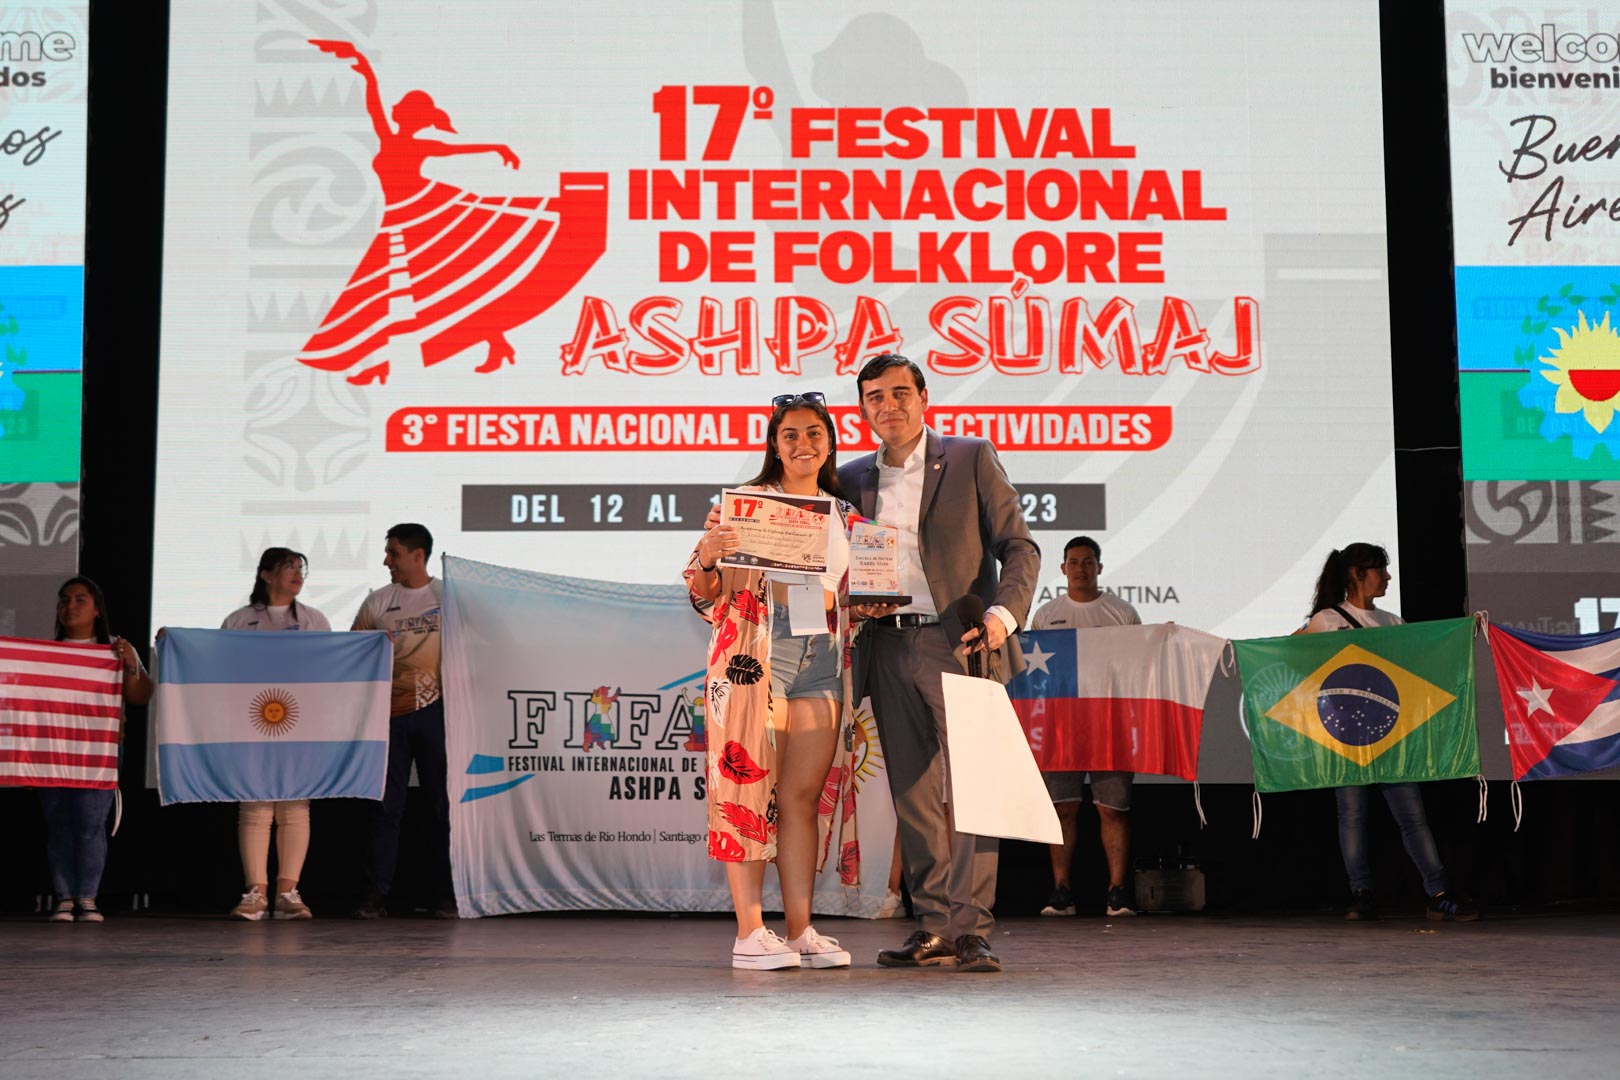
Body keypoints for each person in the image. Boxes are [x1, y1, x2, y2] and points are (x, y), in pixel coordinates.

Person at [839, 353, 1040, 972]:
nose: (888, 406)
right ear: (863, 408)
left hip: (960, 643)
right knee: (913, 792)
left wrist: (1001, 617)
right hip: (883, 644)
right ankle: (932, 926)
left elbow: (1019, 546)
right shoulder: (848, 478)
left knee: (977, 787)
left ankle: (972, 927)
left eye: (900, 393)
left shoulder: (970, 457)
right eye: (875, 397)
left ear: (924, 398)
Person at [299, 40, 601, 385]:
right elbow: (373, 107)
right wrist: (365, 70)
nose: (395, 112)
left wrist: (498, 147)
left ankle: (387, 365)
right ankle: (487, 345)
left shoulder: (418, 146)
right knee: (412, 289)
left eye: (402, 109)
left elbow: (459, 150)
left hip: (430, 211)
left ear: (410, 117)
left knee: (427, 287)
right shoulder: (389, 139)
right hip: (403, 215)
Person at [686, 393, 861, 970]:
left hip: (823, 656)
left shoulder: (847, 516)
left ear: (829, 445)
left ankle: (801, 930)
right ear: (775, 446)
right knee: (749, 790)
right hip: (757, 653)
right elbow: (702, 593)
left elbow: (859, 590)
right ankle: (750, 932)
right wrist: (708, 557)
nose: (803, 444)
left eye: (814, 434)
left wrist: (872, 601)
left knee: (802, 799)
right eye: (791, 435)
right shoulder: (744, 505)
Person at [1304, 543, 1479, 923]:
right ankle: (1361, 893)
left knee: (1412, 816)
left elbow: (1423, 662)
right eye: (1380, 570)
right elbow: (1294, 657)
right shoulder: (1327, 620)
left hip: (1391, 734)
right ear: (1357, 574)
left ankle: (1438, 893)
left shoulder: (1393, 623)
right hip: (1348, 735)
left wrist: (1463, 632)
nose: (1387, 577)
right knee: (1352, 815)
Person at [1028, 536, 1141, 918]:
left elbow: (1140, 665)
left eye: (1088, 561)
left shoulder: (1121, 612)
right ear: (1063, 569)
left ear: (1099, 567)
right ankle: (1061, 891)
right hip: (1062, 727)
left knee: (1113, 810)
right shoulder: (1046, 614)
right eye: (1073, 562)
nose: (1081, 568)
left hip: (1110, 725)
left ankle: (1117, 892)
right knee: (1062, 809)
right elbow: (1033, 675)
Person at [220, 548, 332, 921]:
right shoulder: (239, 620)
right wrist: (175, 642)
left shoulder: (315, 620)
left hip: (301, 722)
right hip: (251, 719)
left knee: (295, 805)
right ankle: (256, 893)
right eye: (288, 567)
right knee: (255, 804)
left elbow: (331, 667)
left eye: (300, 568)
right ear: (266, 575)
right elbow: (218, 666)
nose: (297, 574)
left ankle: (287, 893)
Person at [351, 524, 454, 918]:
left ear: (417, 555)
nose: (386, 561)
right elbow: (352, 653)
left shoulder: (450, 597)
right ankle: (375, 894)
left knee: (441, 806)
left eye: (393, 553)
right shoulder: (378, 602)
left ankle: (446, 894)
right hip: (388, 716)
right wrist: (373, 651)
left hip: (438, 712)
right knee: (385, 807)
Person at [41, 577, 153, 922]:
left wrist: (131, 663)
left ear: (97, 610)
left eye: (80, 600)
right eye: (64, 600)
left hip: (100, 748)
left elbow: (140, 696)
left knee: (90, 823)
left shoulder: (115, 650)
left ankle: (87, 897)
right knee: (59, 822)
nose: (70, 606)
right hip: (54, 748)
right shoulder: (46, 653)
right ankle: (64, 897)